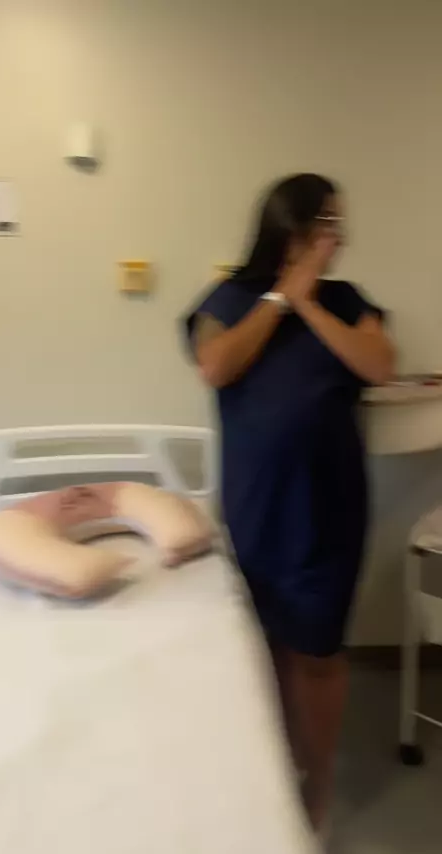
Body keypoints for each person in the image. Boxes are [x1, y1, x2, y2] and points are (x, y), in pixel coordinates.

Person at [182, 174, 395, 831]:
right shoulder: (227, 299)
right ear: (290, 227)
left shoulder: (348, 300)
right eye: (328, 222)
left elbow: (378, 366)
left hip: (329, 507)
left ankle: (318, 783)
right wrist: (280, 296)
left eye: (338, 224)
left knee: (319, 649)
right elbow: (216, 366)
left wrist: (310, 304)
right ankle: (280, 771)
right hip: (258, 506)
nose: (339, 237)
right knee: (268, 644)